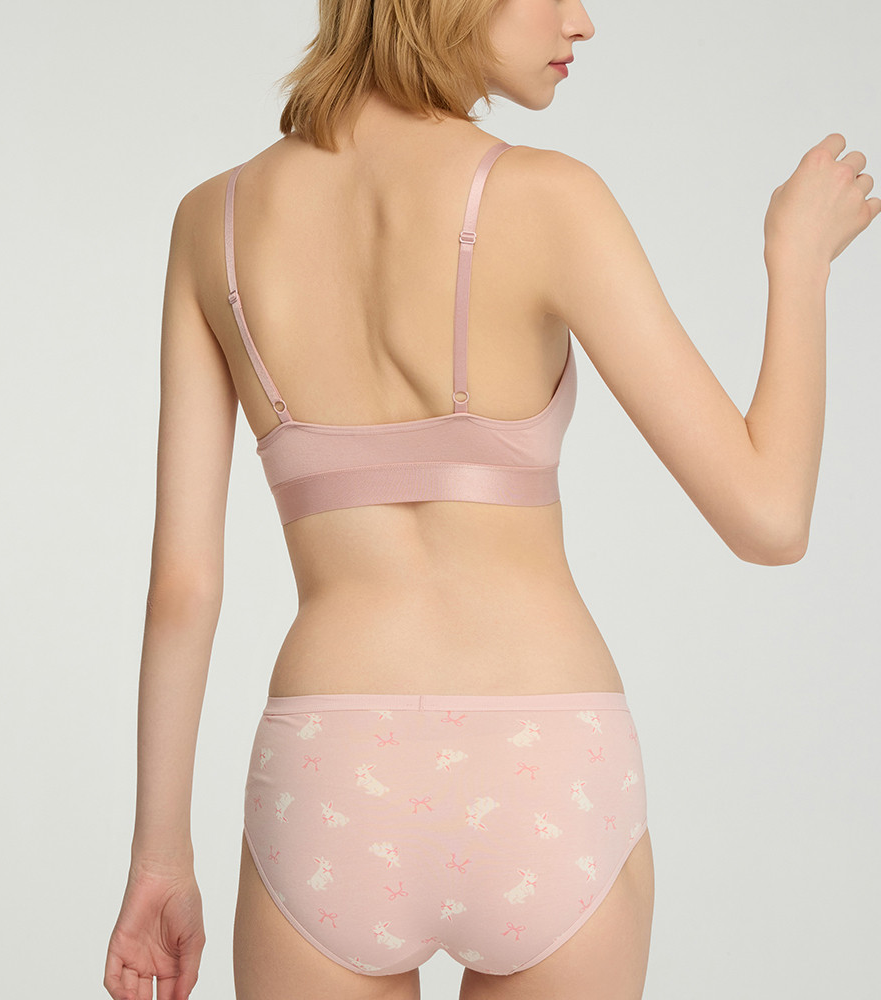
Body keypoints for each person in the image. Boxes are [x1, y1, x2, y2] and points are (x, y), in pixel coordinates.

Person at [104, 0, 879, 997]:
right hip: (545, 767)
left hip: (331, 781)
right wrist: (798, 262)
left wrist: (160, 861)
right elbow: (769, 518)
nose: (581, 21)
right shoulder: (550, 199)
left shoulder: (209, 222)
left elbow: (183, 587)